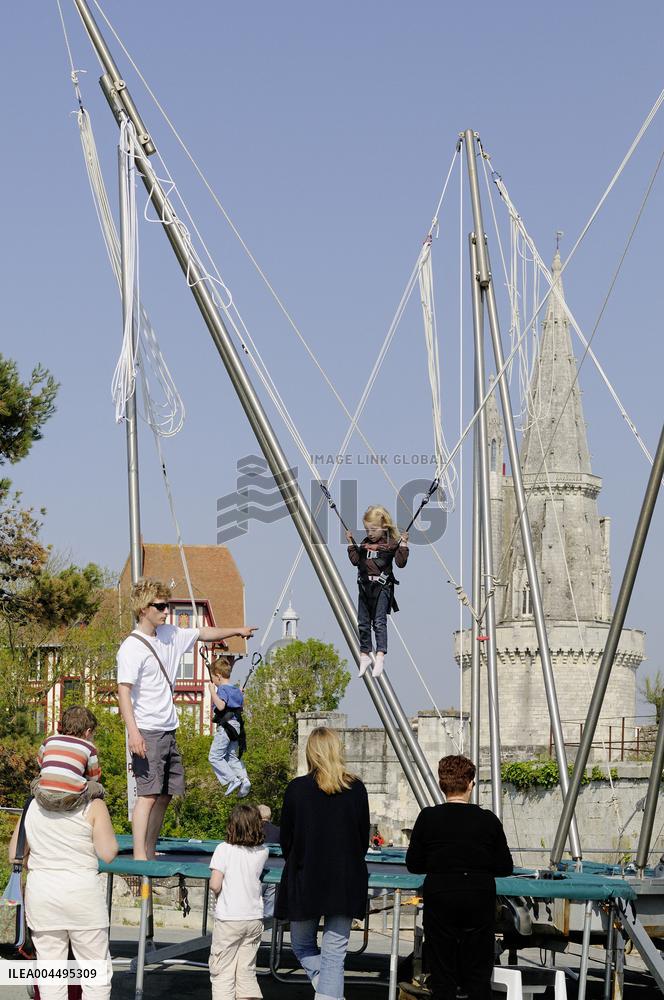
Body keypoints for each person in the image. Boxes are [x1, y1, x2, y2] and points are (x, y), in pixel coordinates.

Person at [116, 577, 257, 859]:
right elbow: (123, 692)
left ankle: (150, 849)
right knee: (147, 795)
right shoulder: (131, 647)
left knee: (166, 793)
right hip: (147, 728)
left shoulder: (169, 633)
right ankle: (140, 857)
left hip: (168, 729)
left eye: (166, 605)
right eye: (160, 606)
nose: (165, 610)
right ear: (144, 608)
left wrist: (236, 631)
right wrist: (134, 733)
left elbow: (203, 633)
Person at [406, 755, 514, 1000]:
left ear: (442, 784)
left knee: (442, 972)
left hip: (441, 895)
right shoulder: (488, 820)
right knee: (477, 972)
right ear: (470, 784)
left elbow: (413, 864)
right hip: (478, 896)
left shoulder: (428, 818)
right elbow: (504, 866)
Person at [276, 727, 370, 1000]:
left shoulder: (296, 789)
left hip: (306, 878)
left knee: (302, 945)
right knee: (334, 955)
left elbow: (287, 840)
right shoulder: (357, 789)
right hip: (345, 879)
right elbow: (362, 838)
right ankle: (331, 992)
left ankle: (328, 990)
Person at [8, 795, 119, 1000]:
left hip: (42, 896)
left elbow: (15, 855)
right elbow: (108, 853)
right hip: (82, 897)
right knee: (95, 974)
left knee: (51, 974)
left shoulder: (32, 804)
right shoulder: (93, 804)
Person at [208, 803, 269, 1000]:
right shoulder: (262, 851)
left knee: (222, 972)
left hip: (229, 918)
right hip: (253, 918)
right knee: (246, 971)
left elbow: (215, 884)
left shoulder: (223, 849)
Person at [346, 504, 409, 678]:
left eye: (373, 529)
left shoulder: (390, 544)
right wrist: (351, 544)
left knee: (379, 622)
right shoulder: (365, 543)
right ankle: (364, 654)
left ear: (384, 527)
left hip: (382, 587)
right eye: (367, 530)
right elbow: (355, 561)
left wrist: (403, 544)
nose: (370, 533)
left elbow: (400, 563)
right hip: (365, 587)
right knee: (363, 622)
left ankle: (380, 655)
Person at [32, 705, 104, 812]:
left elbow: (39, 762)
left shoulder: (49, 740)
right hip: (70, 799)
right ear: (88, 731)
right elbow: (93, 778)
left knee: (36, 781)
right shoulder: (89, 747)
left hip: (43, 797)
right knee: (98, 787)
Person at [208, 655, 250, 797]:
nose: (212, 681)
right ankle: (244, 779)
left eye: (213, 678)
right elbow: (239, 706)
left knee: (214, 756)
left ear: (218, 676)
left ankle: (232, 780)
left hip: (226, 727)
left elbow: (220, 706)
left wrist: (212, 692)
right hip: (236, 727)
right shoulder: (236, 690)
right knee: (231, 756)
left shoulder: (222, 689)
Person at [257, 805, 280, 920]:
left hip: (256, 872)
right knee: (270, 909)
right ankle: (270, 932)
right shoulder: (278, 831)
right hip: (274, 872)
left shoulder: (252, 830)